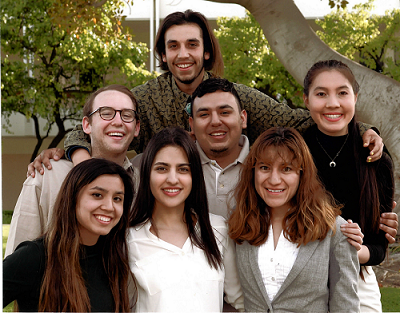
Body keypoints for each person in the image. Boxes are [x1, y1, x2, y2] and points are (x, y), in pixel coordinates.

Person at [29, 9, 383, 174]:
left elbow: (300, 121)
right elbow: (89, 126)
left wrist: (365, 131)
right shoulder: (144, 98)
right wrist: (72, 158)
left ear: (206, 51)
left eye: (192, 44)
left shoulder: (237, 96)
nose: (183, 54)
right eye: (173, 46)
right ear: (163, 55)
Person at [229, 127, 360, 312]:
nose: (274, 180)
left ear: (301, 174)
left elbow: (346, 307)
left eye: (286, 169)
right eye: (264, 167)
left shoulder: (334, 229)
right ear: (253, 172)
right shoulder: (240, 221)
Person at [302, 60, 395, 312]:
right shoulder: (293, 151)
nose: (333, 103)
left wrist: (351, 250)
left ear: (355, 97)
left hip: (356, 277)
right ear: (306, 100)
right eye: (321, 94)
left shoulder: (377, 160)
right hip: (299, 277)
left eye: (342, 93)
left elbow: (378, 248)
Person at [5, 84, 140, 257]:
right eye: (106, 113)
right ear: (86, 125)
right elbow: (17, 255)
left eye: (127, 115)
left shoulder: (141, 185)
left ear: (136, 128)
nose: (117, 121)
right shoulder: (47, 175)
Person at [127, 127, 244, 312]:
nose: (172, 179)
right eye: (162, 168)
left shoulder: (218, 228)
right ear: (147, 173)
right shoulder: (129, 238)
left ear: (194, 176)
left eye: (183, 169)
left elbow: (239, 302)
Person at [3, 158, 135, 312]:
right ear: (73, 197)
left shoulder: (113, 259)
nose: (109, 206)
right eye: (97, 195)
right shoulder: (35, 257)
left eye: (117, 199)